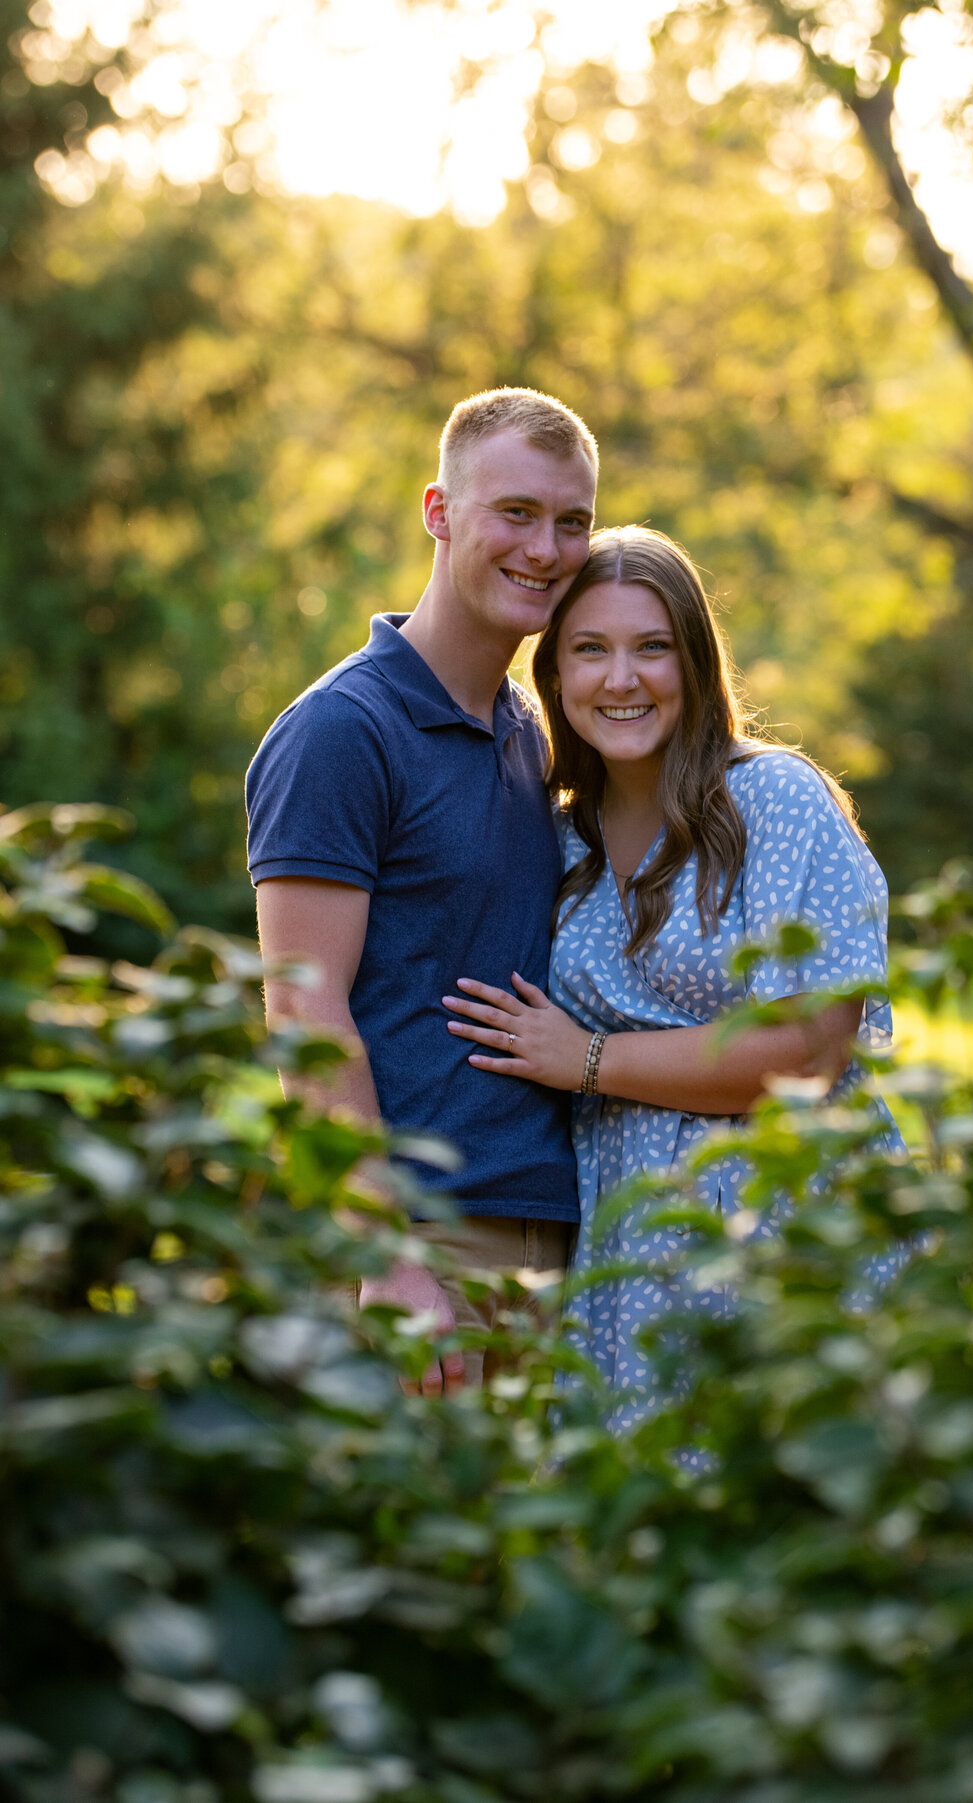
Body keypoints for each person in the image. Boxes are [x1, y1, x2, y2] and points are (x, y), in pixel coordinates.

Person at [443, 525, 905, 1425]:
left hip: (782, 1235)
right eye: (591, 649)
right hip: (624, 1252)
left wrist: (585, 1059)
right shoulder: (556, 834)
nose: (622, 679)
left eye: (652, 647)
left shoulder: (773, 801)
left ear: (694, 662)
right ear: (555, 676)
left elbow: (805, 1056)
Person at [246, 387, 599, 1394]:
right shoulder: (340, 733)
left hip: (552, 1229)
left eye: (572, 522)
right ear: (439, 512)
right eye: (516, 513)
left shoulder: (530, 730)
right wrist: (385, 1252)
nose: (546, 548)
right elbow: (300, 1011)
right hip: (425, 1253)